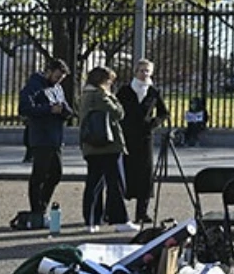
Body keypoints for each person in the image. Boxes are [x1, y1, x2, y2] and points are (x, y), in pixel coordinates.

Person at [78, 66, 136, 233]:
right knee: (115, 184)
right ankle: (120, 219)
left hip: (91, 145)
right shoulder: (100, 95)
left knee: (93, 183)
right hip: (108, 145)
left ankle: (91, 220)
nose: (111, 84)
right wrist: (111, 95)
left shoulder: (85, 95)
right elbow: (118, 113)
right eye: (109, 81)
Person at [116, 59, 170, 224]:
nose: (144, 74)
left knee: (145, 174)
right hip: (126, 136)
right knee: (123, 173)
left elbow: (163, 113)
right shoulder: (125, 91)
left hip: (145, 137)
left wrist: (154, 123)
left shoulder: (154, 92)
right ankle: (114, 211)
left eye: (147, 71)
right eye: (141, 70)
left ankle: (142, 212)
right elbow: (116, 109)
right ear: (135, 72)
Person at [20, 58, 72, 216]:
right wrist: (49, 109)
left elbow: (67, 108)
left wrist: (64, 111)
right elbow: (25, 108)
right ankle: (36, 209)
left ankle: (42, 205)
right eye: (56, 77)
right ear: (48, 72)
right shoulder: (34, 86)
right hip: (41, 136)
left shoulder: (58, 88)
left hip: (55, 137)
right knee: (39, 175)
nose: (58, 81)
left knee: (56, 174)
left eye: (61, 78)